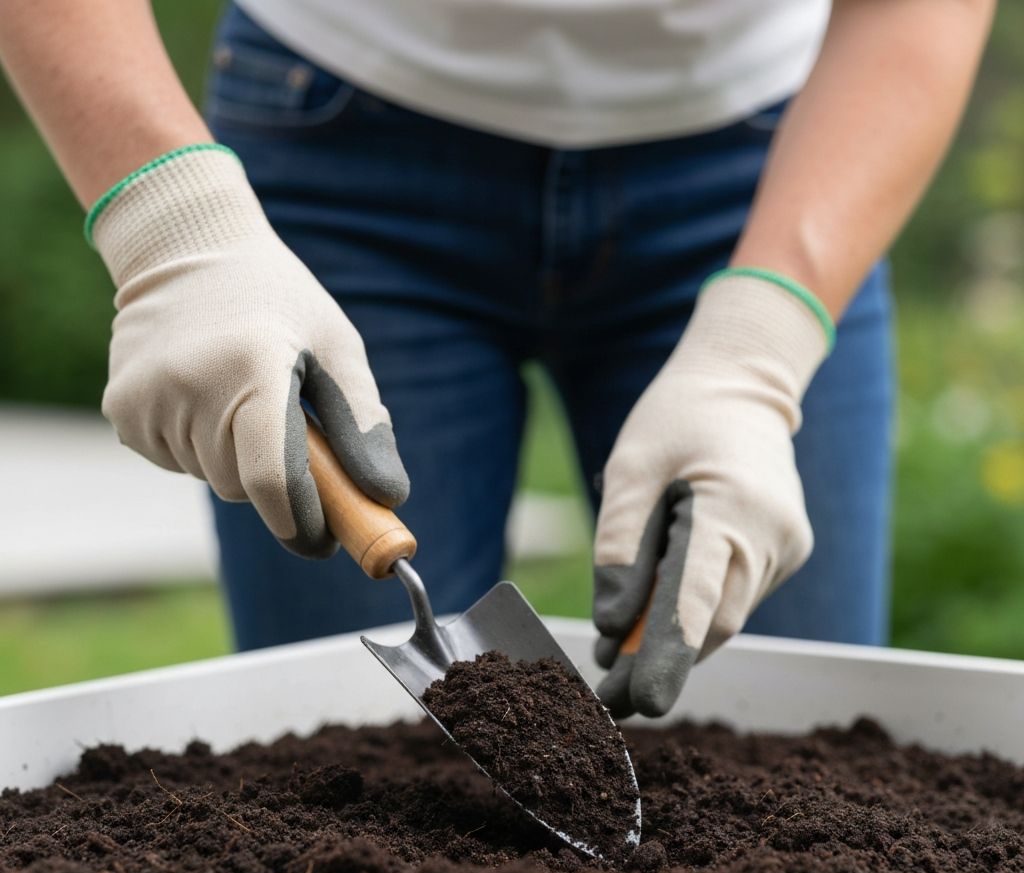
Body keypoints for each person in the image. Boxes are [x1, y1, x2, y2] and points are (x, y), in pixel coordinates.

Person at [0, 0, 994, 717]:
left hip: (772, 164)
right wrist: (174, 231)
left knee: (797, 751)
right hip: (343, 132)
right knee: (344, 776)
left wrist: (758, 354)